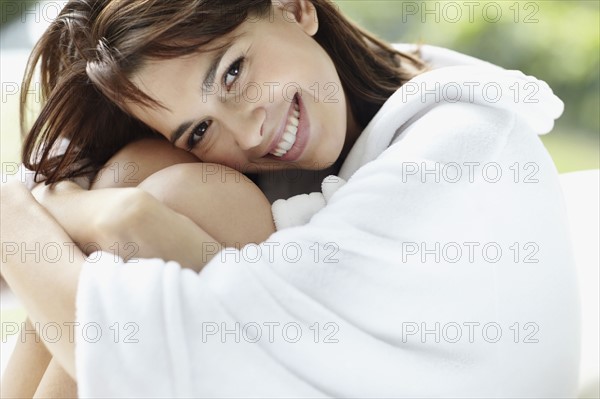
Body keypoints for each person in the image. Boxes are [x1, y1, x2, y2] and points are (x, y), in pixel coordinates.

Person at [1, 0, 581, 397]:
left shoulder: (461, 142)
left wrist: (22, 214)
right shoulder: (343, 108)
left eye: (231, 74)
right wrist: (111, 209)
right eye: (199, 131)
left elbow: (157, 359)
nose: (248, 133)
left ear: (296, 7)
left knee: (166, 197)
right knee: (137, 168)